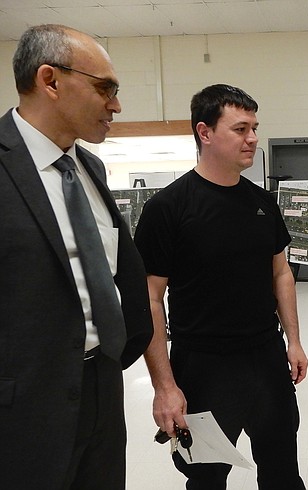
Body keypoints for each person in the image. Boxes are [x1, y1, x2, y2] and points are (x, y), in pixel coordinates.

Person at [0, 24, 154, 489]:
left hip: (103, 389)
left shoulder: (89, 167)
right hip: (24, 411)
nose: (116, 105)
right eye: (105, 88)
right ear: (50, 80)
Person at [134, 83, 308, 489]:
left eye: (254, 128)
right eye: (240, 129)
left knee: (282, 468)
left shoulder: (263, 203)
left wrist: (294, 341)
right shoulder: (168, 209)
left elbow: (280, 272)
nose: (253, 139)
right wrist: (165, 386)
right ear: (205, 133)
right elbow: (151, 298)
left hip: (266, 358)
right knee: (206, 477)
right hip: (203, 366)